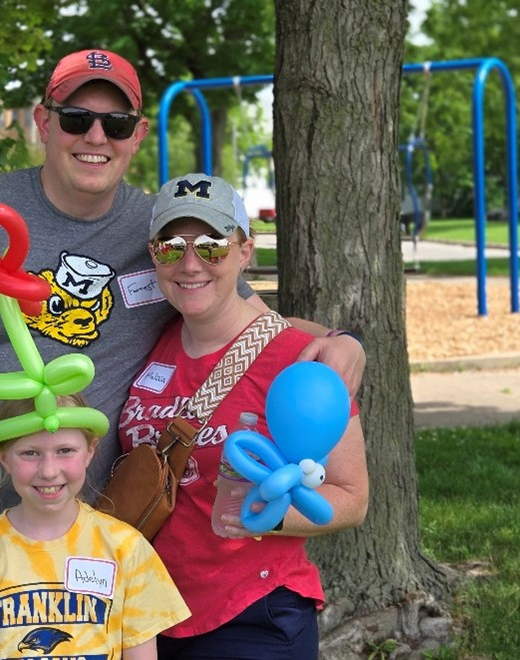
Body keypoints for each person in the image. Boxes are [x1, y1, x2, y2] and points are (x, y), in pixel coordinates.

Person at [0, 48, 365, 659]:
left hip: (84, 553)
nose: (95, 136)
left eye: (116, 123)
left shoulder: (156, 233)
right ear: (43, 121)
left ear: (137, 135)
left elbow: (248, 315)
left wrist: (344, 344)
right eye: (76, 118)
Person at [116, 173, 370, 658]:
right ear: (154, 255)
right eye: (171, 246)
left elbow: (352, 497)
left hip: (251, 614)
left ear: (244, 251)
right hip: (147, 616)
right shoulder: (154, 339)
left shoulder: (301, 360)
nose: (190, 263)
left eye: (212, 245)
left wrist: (265, 518)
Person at [0, 394, 189, 659]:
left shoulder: (125, 547)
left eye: (65, 451)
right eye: (30, 453)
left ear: (90, 452)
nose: (48, 470)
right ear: (4, 458)